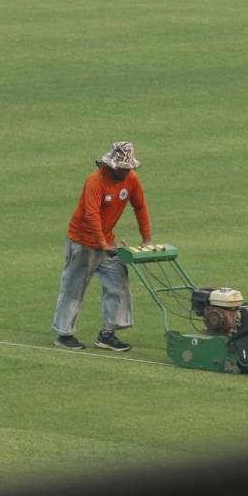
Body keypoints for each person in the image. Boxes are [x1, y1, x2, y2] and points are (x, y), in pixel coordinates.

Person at [52, 141, 153, 352]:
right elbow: (92, 215)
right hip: (82, 242)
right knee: (74, 288)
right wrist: (101, 243)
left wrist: (146, 238)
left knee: (118, 282)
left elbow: (140, 206)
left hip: (107, 243)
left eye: (129, 168)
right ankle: (64, 334)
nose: (126, 172)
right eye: (123, 169)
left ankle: (108, 334)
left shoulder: (131, 179)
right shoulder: (95, 181)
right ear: (111, 165)